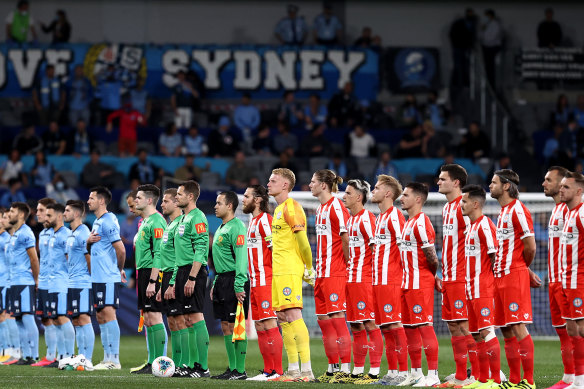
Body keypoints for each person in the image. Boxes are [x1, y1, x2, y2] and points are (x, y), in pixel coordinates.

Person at [489, 169, 538, 389]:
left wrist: (521, 268)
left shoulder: (518, 209)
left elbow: (530, 247)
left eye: (494, 182)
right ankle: (515, 379)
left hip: (512, 274)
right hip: (500, 276)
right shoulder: (503, 212)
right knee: (506, 328)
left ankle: (528, 381)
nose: (490, 186)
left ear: (506, 186)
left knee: (517, 325)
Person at [267, 168, 315, 382]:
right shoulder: (277, 210)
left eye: (273, 180)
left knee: (293, 315)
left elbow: (303, 241)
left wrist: (309, 267)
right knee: (282, 317)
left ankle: (307, 371)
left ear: (285, 185)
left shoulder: (292, 207)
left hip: (289, 269)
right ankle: (293, 370)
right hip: (278, 271)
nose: (268, 184)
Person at [337, 179, 382, 384]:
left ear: (359, 197)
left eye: (347, 193)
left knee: (370, 323)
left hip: (365, 280)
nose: (343, 196)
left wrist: (373, 277)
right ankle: (357, 371)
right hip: (351, 279)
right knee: (355, 325)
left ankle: (373, 371)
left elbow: (376, 250)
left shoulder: (367, 219)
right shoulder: (350, 220)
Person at [436, 164, 477, 387]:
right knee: (453, 326)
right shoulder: (446, 208)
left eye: (443, 179)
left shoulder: (464, 207)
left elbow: (475, 238)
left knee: (465, 325)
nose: (438, 182)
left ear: (456, 182)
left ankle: (476, 372)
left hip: (463, 275)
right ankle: (462, 372)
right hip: (449, 275)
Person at [308, 169, 351, 383]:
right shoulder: (319, 209)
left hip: (335, 272)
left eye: (313, 181)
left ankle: (345, 368)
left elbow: (346, 238)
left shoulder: (336, 206)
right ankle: (332, 367)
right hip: (321, 273)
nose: (310, 184)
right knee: (324, 321)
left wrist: (347, 264)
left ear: (323, 185)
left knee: (337, 319)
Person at [399, 183, 441, 387]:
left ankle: (432, 374)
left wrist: (432, 277)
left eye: (406, 195)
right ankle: (415, 373)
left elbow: (432, 258)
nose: (401, 198)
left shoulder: (421, 223)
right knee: (409, 329)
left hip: (419, 283)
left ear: (418, 199)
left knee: (424, 327)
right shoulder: (408, 222)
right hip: (406, 283)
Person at [460, 185, 502, 389]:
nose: (461, 204)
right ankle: (482, 379)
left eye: (464, 201)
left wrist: (492, 284)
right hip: (470, 289)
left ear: (475, 204)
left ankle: (496, 379)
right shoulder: (470, 227)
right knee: (476, 334)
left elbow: (496, 257)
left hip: (483, 288)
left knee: (487, 331)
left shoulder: (485, 225)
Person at [370, 175, 409, 385]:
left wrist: (402, 277)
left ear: (387, 193)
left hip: (391, 280)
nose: (372, 191)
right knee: (385, 327)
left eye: (376, 188)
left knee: (395, 325)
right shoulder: (380, 218)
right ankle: (392, 371)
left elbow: (404, 249)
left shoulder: (394, 216)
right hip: (378, 281)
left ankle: (403, 371)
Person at [241, 185, 283, 381]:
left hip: (267, 281)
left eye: (247, 196)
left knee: (269, 323)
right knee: (259, 326)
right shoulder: (253, 221)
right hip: (255, 282)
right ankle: (268, 371)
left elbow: (277, 250)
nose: (243, 199)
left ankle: (278, 371)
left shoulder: (266, 221)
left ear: (257, 200)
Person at [172, 180, 211, 378]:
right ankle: (190, 365)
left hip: (192, 272)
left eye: (179, 194)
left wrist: (192, 277)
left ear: (190, 196)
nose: (176, 197)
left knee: (195, 316)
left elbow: (201, 249)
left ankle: (202, 367)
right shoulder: (182, 219)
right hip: (181, 270)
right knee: (187, 319)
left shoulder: (197, 217)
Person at [210, 191, 250, 380]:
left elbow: (242, 258)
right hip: (221, 280)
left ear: (230, 206)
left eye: (219, 203)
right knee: (226, 325)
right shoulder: (221, 228)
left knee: (236, 325)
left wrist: (239, 284)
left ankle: (240, 371)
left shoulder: (237, 227)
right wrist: (215, 283)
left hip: (235, 280)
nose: (215, 206)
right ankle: (232, 368)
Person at [542, 166, 575, 389]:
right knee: (562, 331)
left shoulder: (571, 211)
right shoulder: (556, 210)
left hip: (569, 281)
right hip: (554, 280)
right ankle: (569, 377)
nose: (544, 183)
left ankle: (577, 377)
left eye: (548, 180)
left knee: (575, 329)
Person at [86, 186, 126, 370]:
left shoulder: (108, 221)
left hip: (107, 277)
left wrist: (119, 269)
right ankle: (106, 358)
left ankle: (114, 360)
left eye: (91, 198)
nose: (88, 201)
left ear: (101, 201)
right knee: (101, 316)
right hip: (98, 277)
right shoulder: (97, 221)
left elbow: (121, 249)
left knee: (109, 315)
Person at [130, 185, 168, 374]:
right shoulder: (145, 222)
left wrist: (153, 281)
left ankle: (160, 362)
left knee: (155, 316)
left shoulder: (157, 221)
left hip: (153, 273)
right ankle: (152, 362)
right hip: (143, 271)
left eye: (138, 197)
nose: (135, 200)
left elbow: (159, 254)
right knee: (148, 319)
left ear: (150, 200)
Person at [155, 188, 189, 376]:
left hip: (176, 276)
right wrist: (162, 284)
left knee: (181, 320)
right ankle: (177, 363)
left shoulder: (178, 226)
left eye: (166, 201)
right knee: (173, 322)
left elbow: (179, 257)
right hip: (166, 276)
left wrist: (172, 283)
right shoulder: (170, 226)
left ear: (176, 203)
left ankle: (185, 363)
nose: (162, 204)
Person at [558, 172, 584, 389]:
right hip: (567, 280)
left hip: (580, 280)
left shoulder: (582, 214)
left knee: (581, 328)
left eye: (566, 187)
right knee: (572, 329)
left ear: (578, 191)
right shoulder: (567, 213)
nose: (561, 189)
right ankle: (578, 380)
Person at [6, 202, 39, 364]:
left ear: (20, 215)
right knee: (18, 318)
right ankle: (25, 354)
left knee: (27, 317)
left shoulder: (26, 233)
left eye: (12, 212)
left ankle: (34, 354)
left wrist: (37, 279)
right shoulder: (15, 234)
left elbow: (34, 258)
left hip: (24, 282)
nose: (9, 214)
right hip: (14, 282)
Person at [63, 200, 95, 364]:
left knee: (84, 318)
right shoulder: (71, 233)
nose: (64, 213)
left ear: (76, 214)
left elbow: (89, 258)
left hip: (82, 282)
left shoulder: (84, 233)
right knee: (76, 319)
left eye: (67, 210)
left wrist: (90, 280)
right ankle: (80, 356)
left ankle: (87, 358)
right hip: (72, 282)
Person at [28, 198, 58, 367]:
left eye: (40, 210)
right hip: (45, 281)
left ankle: (62, 355)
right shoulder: (43, 233)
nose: (37, 213)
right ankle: (49, 355)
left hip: (57, 282)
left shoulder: (61, 232)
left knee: (58, 319)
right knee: (46, 319)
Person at [44, 203, 75, 362]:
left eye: (49, 215)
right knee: (55, 319)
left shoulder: (66, 235)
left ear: (58, 216)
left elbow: (71, 260)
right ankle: (60, 356)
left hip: (62, 283)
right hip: (52, 282)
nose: (46, 218)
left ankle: (69, 355)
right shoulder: (52, 234)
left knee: (62, 317)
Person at [449, 8, 477, 89]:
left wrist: (471, 46)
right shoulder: (458, 23)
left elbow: (471, 36)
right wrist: (456, 44)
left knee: (466, 66)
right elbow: (452, 34)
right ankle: (456, 83)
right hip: (458, 47)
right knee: (457, 65)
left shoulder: (473, 23)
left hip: (466, 48)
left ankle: (466, 83)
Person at [480, 9, 503, 88]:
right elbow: (481, 36)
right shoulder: (485, 25)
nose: (485, 17)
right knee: (487, 67)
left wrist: (484, 38)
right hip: (486, 47)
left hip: (492, 48)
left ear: (491, 16)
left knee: (491, 68)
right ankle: (489, 84)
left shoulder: (496, 25)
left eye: (487, 16)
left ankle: (492, 85)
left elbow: (491, 38)